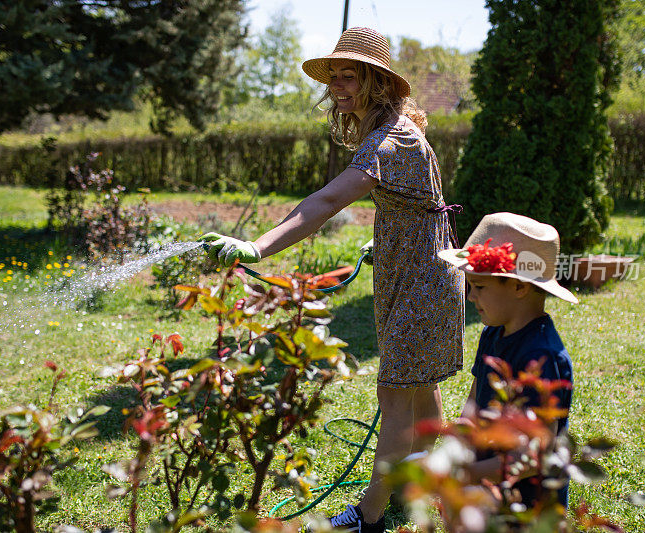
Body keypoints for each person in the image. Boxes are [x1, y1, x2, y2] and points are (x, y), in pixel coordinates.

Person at [202, 27, 464, 532]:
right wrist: (398, 235)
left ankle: (370, 515)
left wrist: (256, 246)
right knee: (419, 387)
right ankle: (421, 481)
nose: (340, 86)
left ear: (379, 83)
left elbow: (324, 203)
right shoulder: (394, 132)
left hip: (422, 283)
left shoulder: (392, 140)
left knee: (396, 395)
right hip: (416, 270)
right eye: (336, 77)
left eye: (352, 76)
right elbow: (423, 200)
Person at [438, 212, 578, 508]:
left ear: (519, 286)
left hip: (529, 506)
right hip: (488, 494)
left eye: (480, 286)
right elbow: (476, 399)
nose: (471, 296)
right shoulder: (492, 334)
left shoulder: (542, 358)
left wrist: (470, 474)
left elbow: (533, 455)